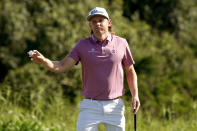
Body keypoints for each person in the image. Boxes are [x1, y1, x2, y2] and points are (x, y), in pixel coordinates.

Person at [29, 7, 140, 131]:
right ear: (90, 25)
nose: (97, 23)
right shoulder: (82, 45)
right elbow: (61, 66)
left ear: (109, 23)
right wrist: (45, 61)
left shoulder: (121, 43)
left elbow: (130, 71)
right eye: (93, 21)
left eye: (100, 20)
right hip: (90, 106)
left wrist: (135, 95)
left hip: (115, 106)